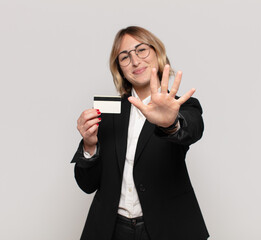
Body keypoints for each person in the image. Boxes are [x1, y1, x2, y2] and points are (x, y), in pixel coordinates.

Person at [71, 26, 209, 240]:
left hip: (167, 228)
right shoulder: (108, 113)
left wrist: (170, 123)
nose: (135, 61)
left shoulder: (182, 106)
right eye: (124, 57)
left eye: (141, 50)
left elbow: (192, 129)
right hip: (112, 230)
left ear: (157, 54)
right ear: (119, 68)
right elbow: (87, 185)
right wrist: (89, 146)